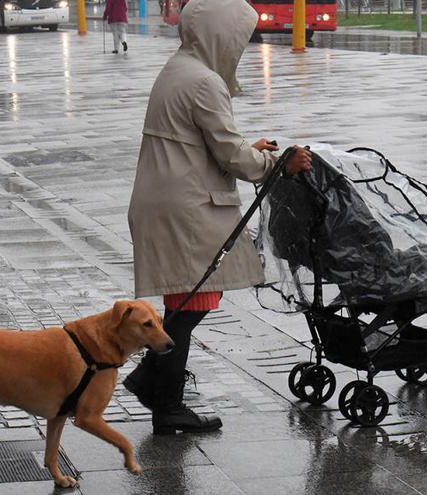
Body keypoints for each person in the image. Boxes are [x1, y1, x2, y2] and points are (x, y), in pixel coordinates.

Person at [125, 0, 312, 435]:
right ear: (220, 34)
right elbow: (230, 155)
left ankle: (160, 396)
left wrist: (252, 147)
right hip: (186, 206)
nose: (240, 47)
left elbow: (207, 140)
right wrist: (279, 165)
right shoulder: (205, 81)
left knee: (184, 303)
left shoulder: (179, 68)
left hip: (169, 198)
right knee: (192, 304)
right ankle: (158, 391)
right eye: (237, 37)